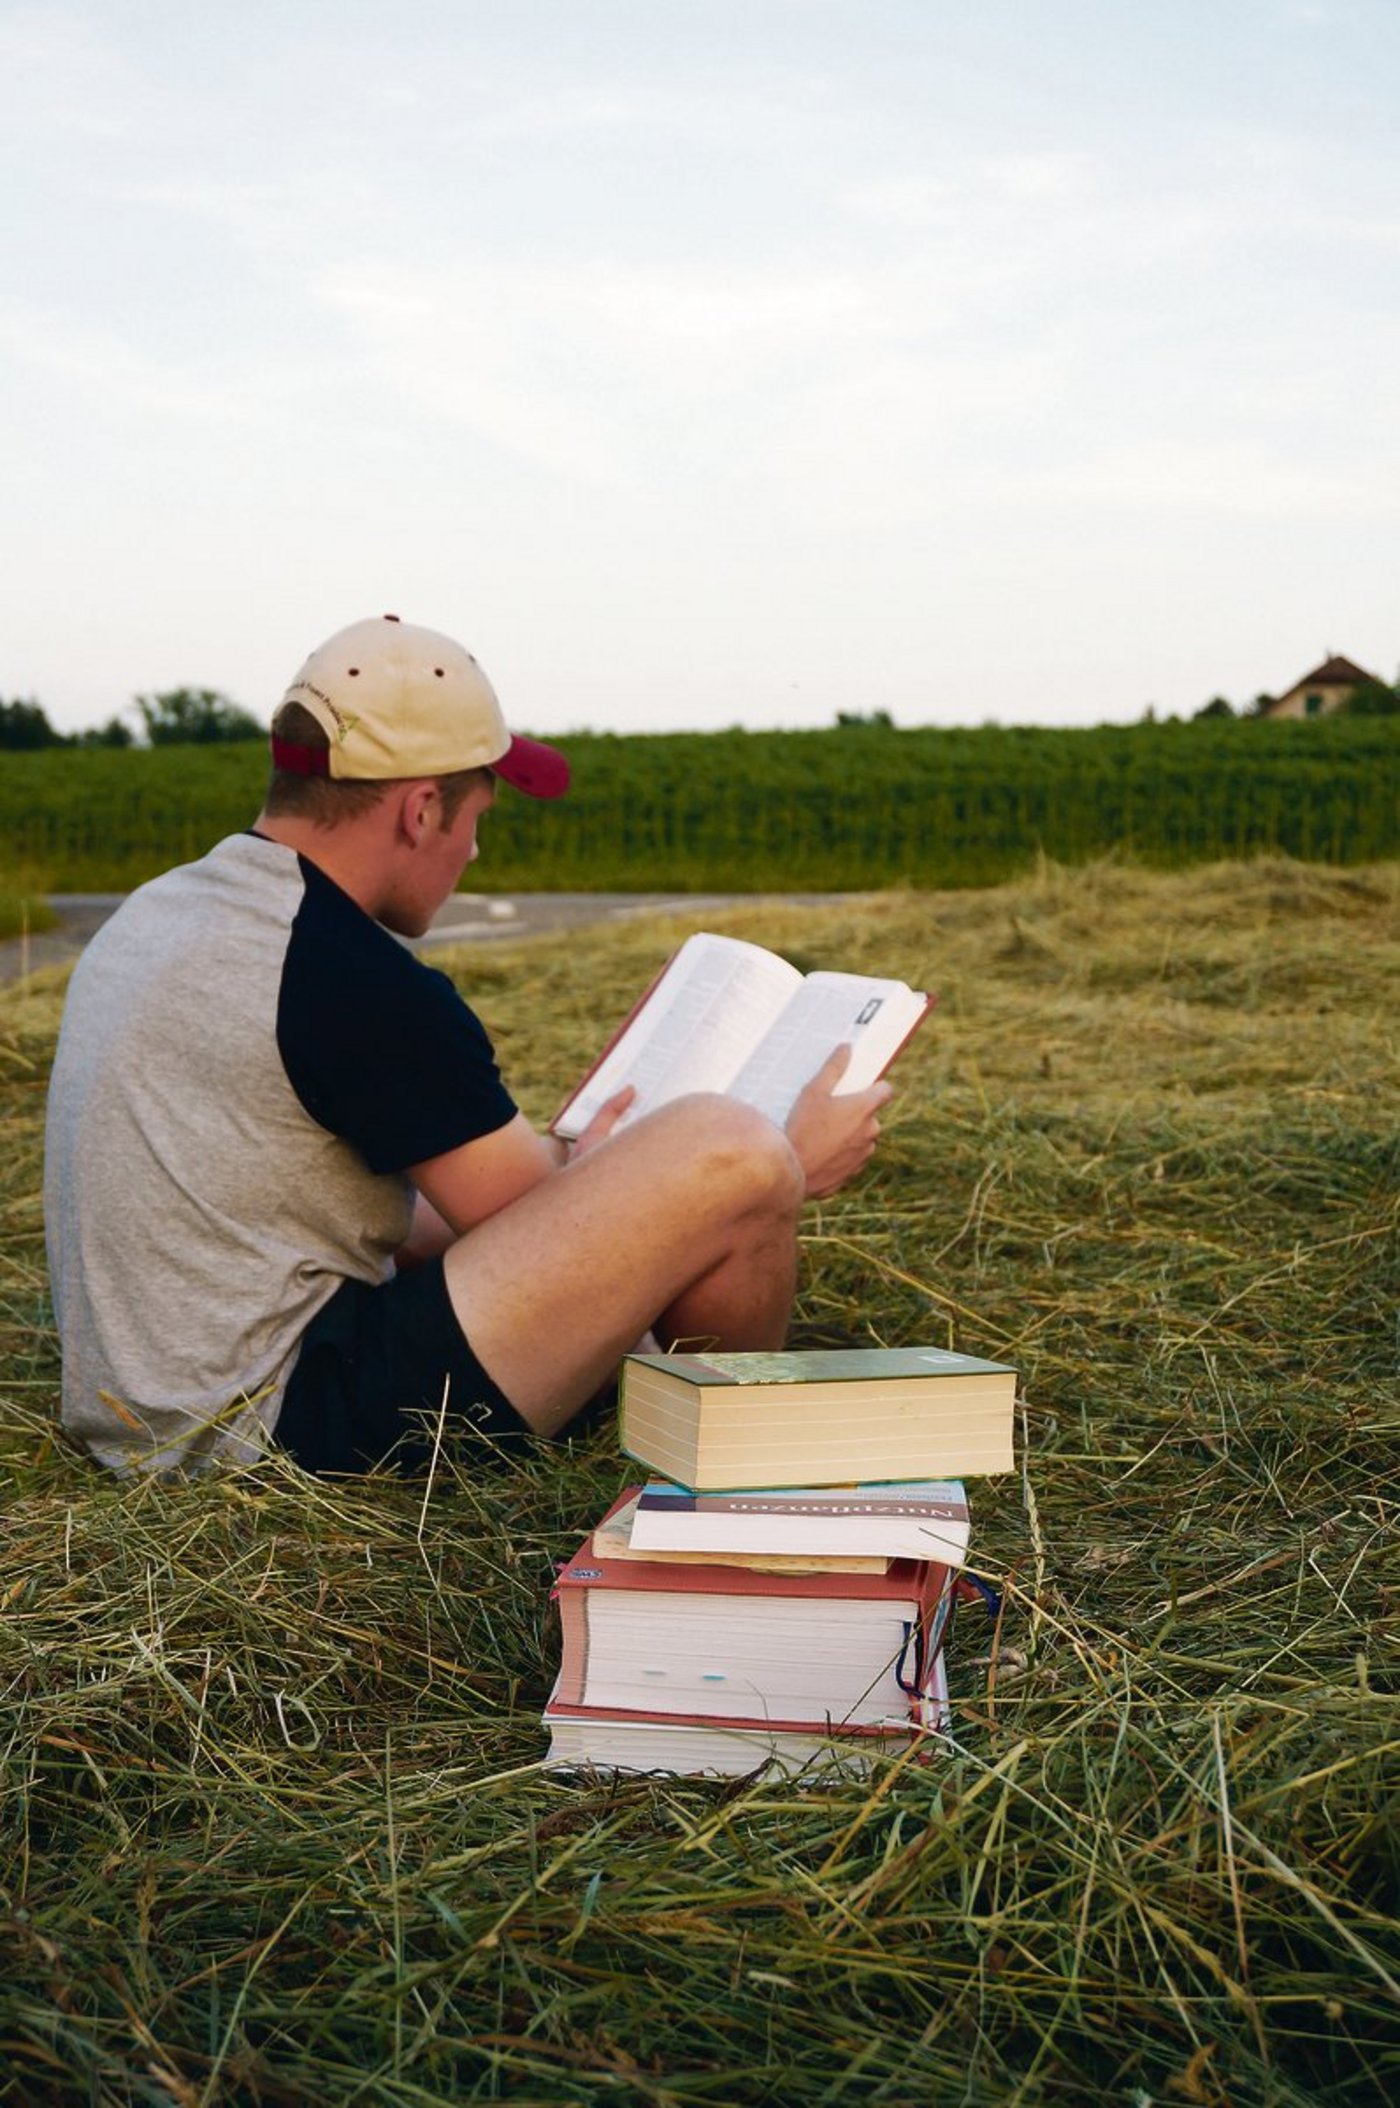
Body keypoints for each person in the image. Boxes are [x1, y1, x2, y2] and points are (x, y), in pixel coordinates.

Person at [43, 613, 892, 1475]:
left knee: (540, 1195)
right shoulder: (350, 974)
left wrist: (580, 1177)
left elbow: (369, 1201)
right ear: (420, 810)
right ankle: (730, 1456)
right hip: (266, 1434)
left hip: (153, 1404)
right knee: (733, 1152)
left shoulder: (166, 912)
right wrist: (787, 1162)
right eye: (477, 813)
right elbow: (536, 1227)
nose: (476, 848)